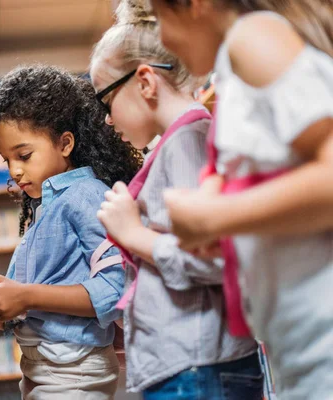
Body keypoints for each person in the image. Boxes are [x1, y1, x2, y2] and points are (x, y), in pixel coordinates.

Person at [148, 0, 333, 397]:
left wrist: (216, 217)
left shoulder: (252, 36)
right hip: (298, 347)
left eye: (159, 16)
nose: (160, 38)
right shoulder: (237, 66)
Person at [88, 2, 262, 399]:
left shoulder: (187, 141)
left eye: (106, 101)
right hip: (190, 366)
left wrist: (132, 233)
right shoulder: (177, 143)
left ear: (145, 82)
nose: (107, 120)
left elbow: (214, 258)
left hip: (198, 367)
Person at [0, 64, 141, 399]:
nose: (14, 170)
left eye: (24, 155)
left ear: (65, 143)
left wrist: (26, 296)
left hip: (73, 372)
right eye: (6, 160)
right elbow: (46, 303)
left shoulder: (85, 195)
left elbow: (116, 291)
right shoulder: (47, 206)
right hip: (43, 368)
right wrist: (0, 313)